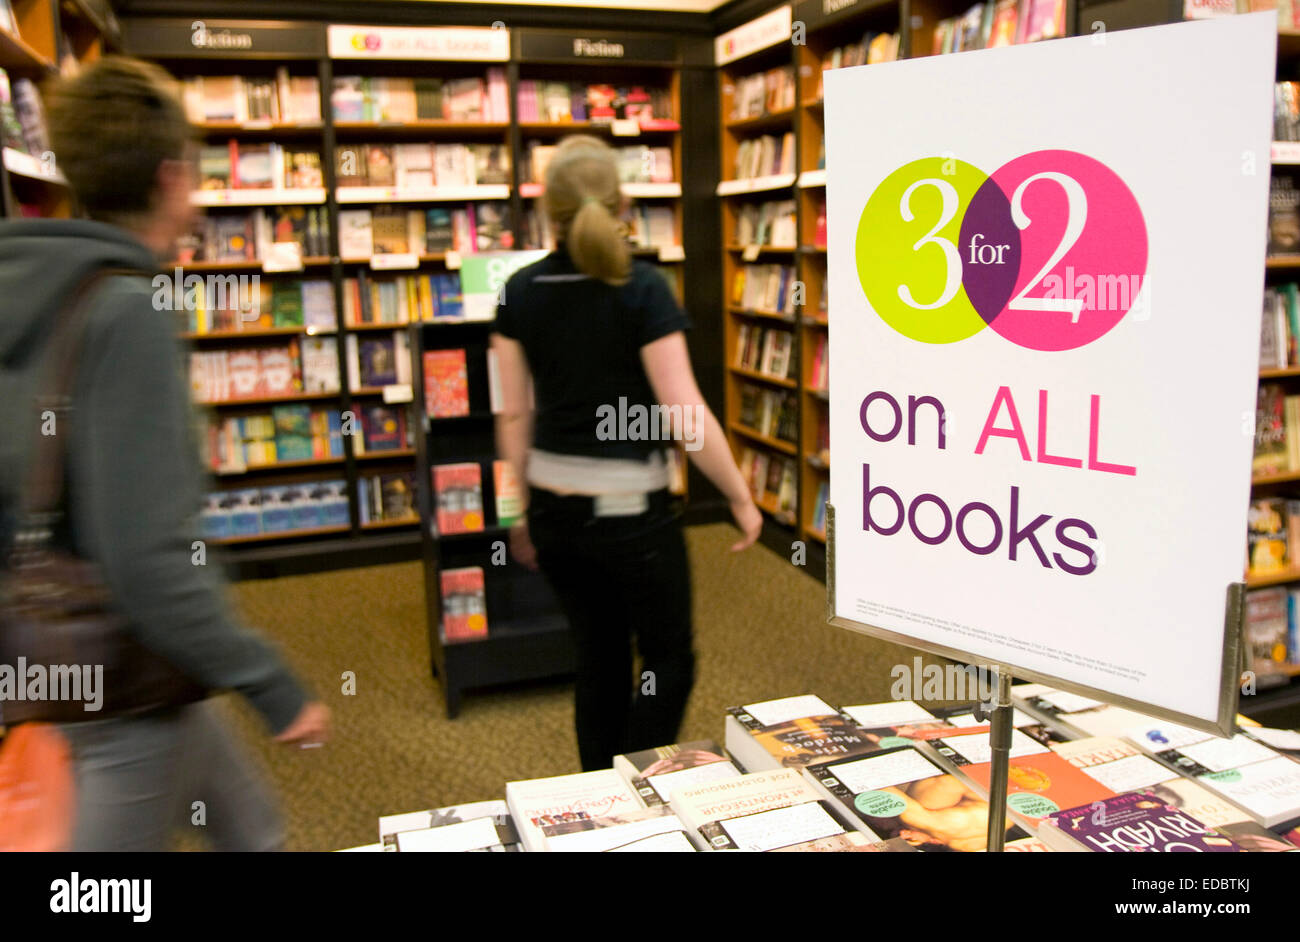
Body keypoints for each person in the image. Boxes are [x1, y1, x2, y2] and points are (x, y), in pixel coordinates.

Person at [0, 56, 329, 851]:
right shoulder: (129, 310)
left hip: (78, 657)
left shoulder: (32, 286)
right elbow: (148, 557)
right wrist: (273, 684)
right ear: (172, 177)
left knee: (253, 832)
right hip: (120, 676)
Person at [491, 135, 762, 771]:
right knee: (668, 656)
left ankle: (599, 792)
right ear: (624, 205)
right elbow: (684, 412)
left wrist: (516, 512)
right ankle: (641, 782)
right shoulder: (641, 289)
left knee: (598, 656)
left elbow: (512, 413)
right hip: (632, 517)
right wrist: (740, 496)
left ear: (544, 209)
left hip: (555, 515)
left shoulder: (518, 292)